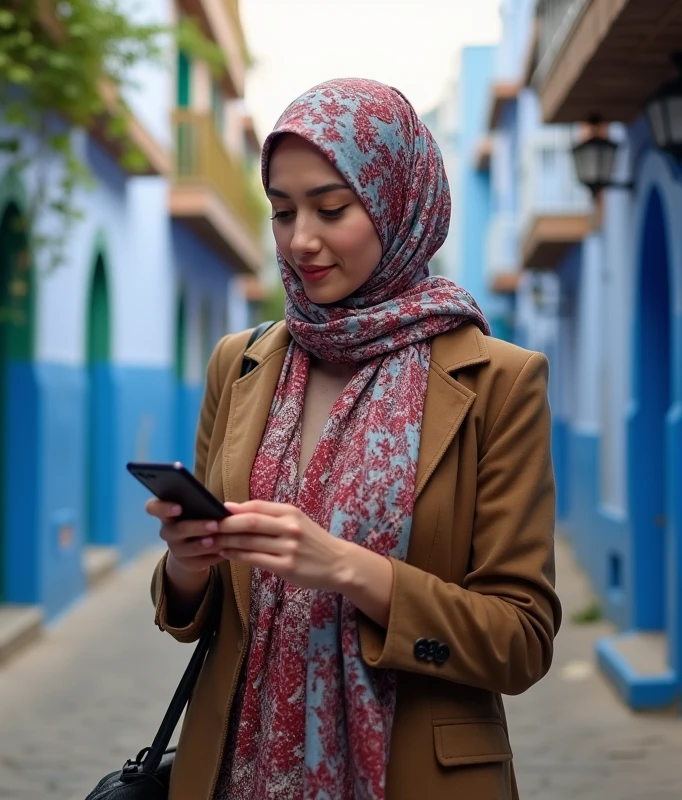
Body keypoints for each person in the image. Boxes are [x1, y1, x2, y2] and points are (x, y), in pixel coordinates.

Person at [147, 77, 560, 800]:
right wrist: (188, 564)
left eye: (332, 208)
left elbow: (520, 641)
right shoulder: (240, 365)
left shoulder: (499, 380)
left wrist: (348, 569)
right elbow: (198, 619)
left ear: (400, 202)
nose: (301, 239)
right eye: (282, 212)